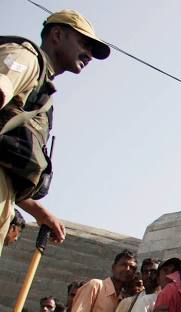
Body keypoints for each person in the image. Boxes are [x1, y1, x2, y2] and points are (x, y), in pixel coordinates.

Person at [0, 10, 112, 256]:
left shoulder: (42, 91)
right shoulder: (26, 59)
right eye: (84, 43)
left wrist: (40, 213)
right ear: (57, 35)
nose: (89, 55)